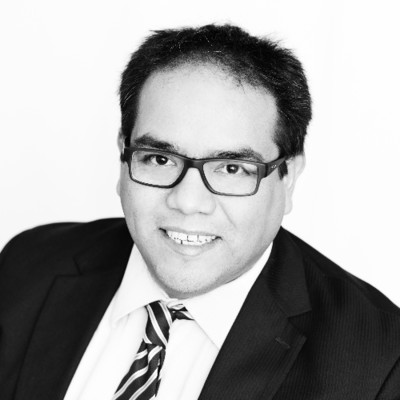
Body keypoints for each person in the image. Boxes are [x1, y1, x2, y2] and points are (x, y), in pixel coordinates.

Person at [1, 24, 400, 400]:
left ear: (288, 177)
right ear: (123, 155)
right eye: (160, 159)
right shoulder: (27, 265)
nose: (188, 202)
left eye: (232, 168)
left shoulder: (380, 362)